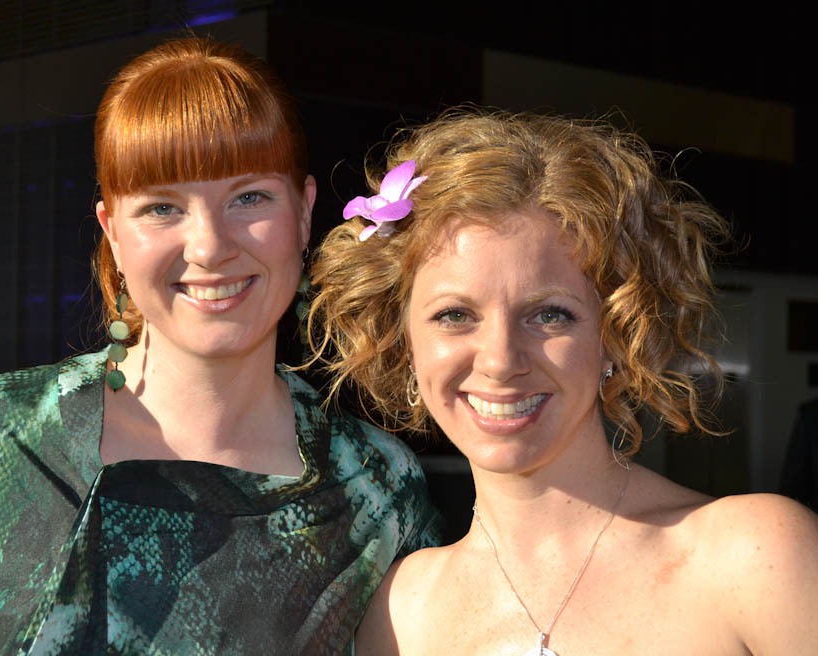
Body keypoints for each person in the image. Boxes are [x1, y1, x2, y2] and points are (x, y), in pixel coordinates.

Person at [0, 38, 439, 655]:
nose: (209, 246)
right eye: (162, 207)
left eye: (249, 198)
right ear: (112, 232)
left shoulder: (375, 490)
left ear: (303, 213)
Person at [308, 109, 818, 654]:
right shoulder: (397, 615)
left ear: (616, 335)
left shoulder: (756, 557)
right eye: (455, 315)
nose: (500, 360)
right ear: (402, 342)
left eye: (550, 314)